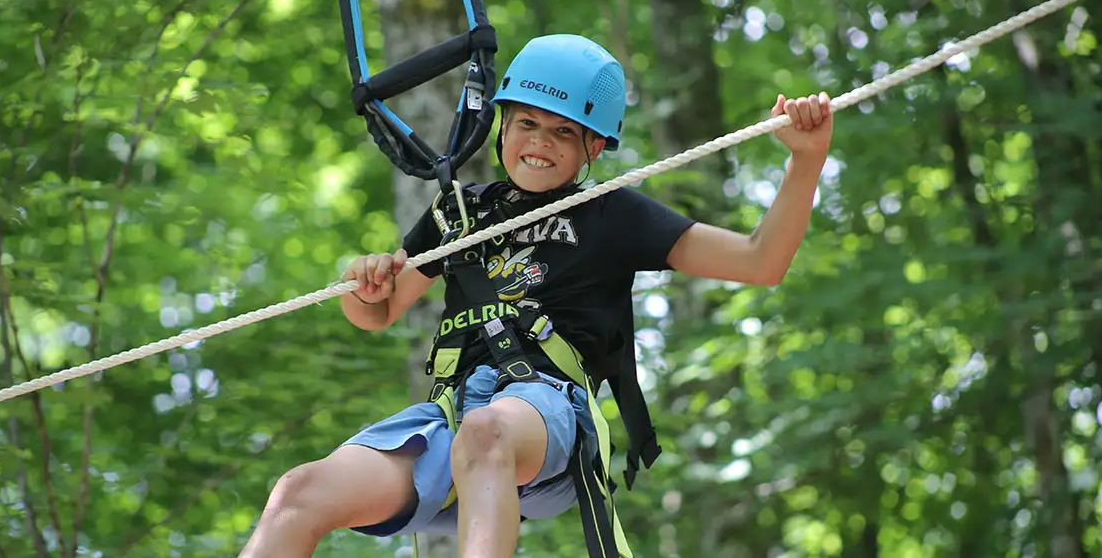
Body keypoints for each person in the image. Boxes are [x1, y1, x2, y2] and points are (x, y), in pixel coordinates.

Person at [237, 34, 833, 558]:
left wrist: (805, 162)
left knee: (487, 433)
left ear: (594, 147)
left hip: (545, 410)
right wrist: (362, 281)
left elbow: (761, 262)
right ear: (502, 125)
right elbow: (377, 312)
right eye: (526, 122)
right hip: (453, 415)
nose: (539, 142)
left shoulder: (612, 212)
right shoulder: (462, 214)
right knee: (298, 493)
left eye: (563, 131)